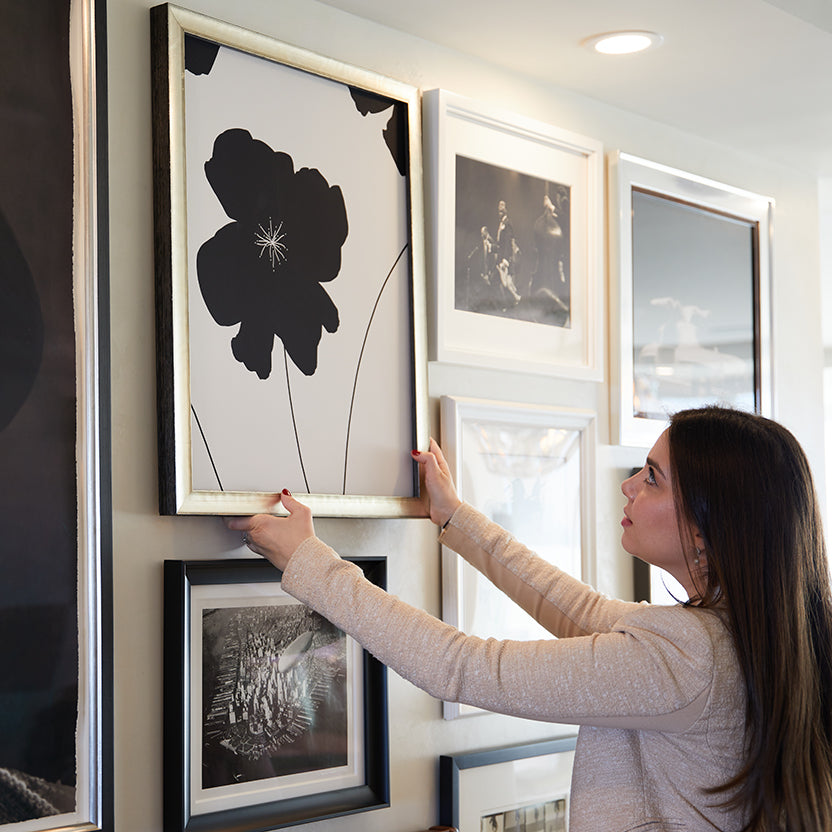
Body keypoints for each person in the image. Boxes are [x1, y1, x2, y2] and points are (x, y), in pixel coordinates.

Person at [226, 406, 832, 831]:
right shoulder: (751, 636)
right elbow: (585, 614)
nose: (627, 487)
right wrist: (454, 518)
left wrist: (308, 560)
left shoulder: (689, 657)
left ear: (706, 527)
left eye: (652, 478)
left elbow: (459, 667)